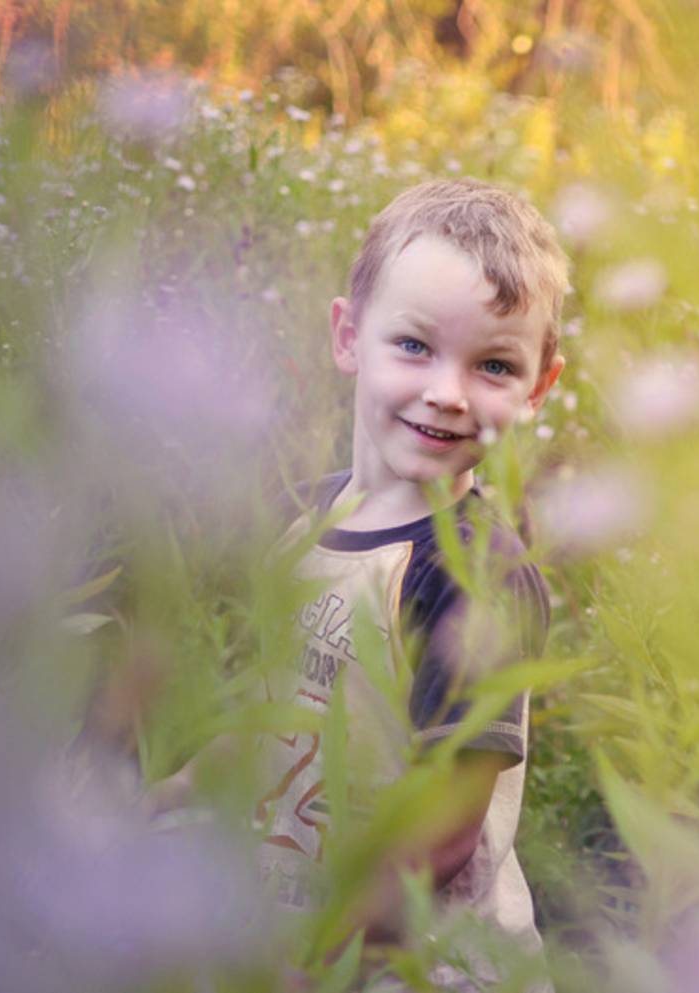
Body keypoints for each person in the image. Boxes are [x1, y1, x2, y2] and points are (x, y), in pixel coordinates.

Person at [254, 176, 569, 989]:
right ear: (348, 336)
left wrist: (318, 952)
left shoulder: (471, 575)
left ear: (537, 388)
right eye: (415, 346)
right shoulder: (311, 522)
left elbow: (443, 829)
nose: (447, 392)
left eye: (494, 364)